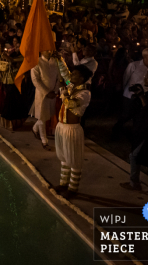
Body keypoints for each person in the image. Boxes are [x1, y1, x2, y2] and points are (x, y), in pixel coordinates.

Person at [54, 65, 93, 199]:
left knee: (74, 159)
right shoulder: (71, 87)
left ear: (81, 78)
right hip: (62, 127)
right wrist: (59, 60)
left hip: (72, 129)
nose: (71, 76)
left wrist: (63, 92)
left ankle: (73, 188)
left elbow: (70, 104)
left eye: (75, 74)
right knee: (64, 157)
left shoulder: (85, 93)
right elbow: (64, 76)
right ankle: (63, 184)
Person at [114, 48, 148, 134]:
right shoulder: (133, 65)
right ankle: (116, 130)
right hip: (131, 95)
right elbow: (126, 78)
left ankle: (136, 133)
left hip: (144, 95)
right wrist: (124, 89)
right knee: (126, 115)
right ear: (145, 57)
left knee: (139, 116)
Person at [30, 50, 60, 151]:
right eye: (46, 49)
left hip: (53, 93)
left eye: (51, 49)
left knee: (46, 116)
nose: (49, 51)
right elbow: (35, 80)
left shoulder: (55, 61)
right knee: (42, 116)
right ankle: (44, 140)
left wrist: (55, 90)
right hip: (42, 94)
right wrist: (47, 92)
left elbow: (59, 77)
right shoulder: (37, 62)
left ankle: (35, 129)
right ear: (41, 50)